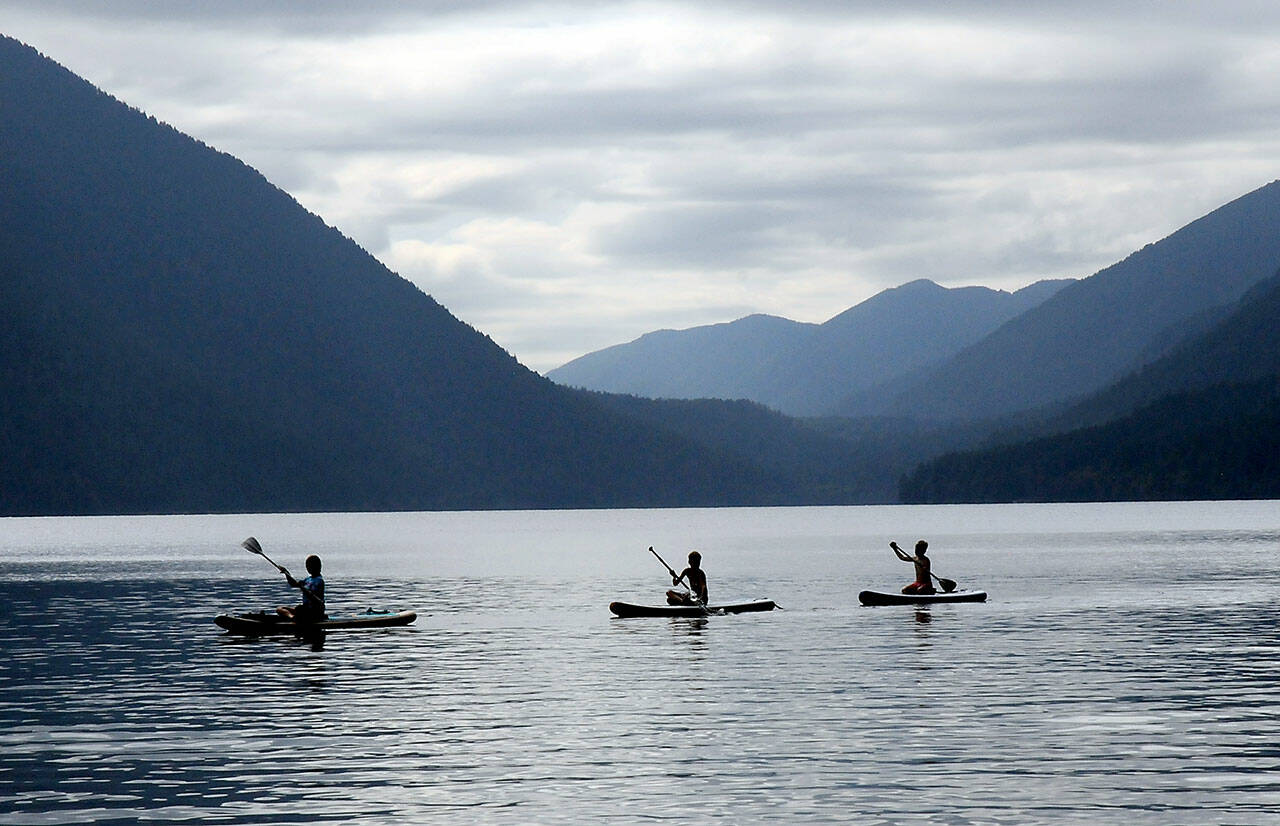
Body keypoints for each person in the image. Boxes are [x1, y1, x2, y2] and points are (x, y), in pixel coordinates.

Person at [278, 554, 326, 621]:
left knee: (299, 609)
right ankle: (292, 617)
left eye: (309, 566)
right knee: (280, 609)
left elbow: (313, 597)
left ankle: (296, 618)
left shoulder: (319, 581)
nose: (307, 568)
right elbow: (293, 584)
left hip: (314, 611)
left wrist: (302, 587)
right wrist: (286, 573)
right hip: (306, 609)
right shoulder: (307, 579)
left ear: (316, 566)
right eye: (307, 566)